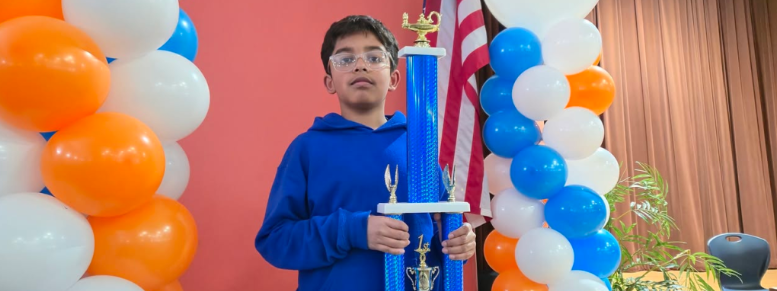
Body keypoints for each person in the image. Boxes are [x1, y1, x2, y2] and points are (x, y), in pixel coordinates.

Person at [254, 15, 476, 291]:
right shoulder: (307, 149)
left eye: (374, 57)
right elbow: (275, 240)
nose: (360, 65)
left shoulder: (420, 146)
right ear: (329, 81)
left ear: (395, 77)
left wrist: (460, 240)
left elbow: (443, 225)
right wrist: (354, 230)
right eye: (346, 60)